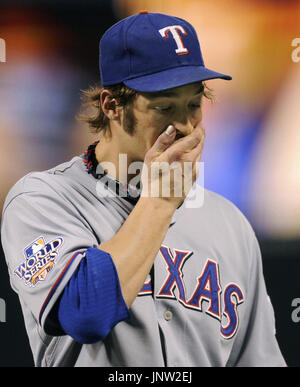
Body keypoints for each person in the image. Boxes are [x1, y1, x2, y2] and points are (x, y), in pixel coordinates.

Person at [1, 11, 286, 367]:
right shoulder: (43, 200)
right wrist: (160, 201)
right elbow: (85, 315)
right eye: (165, 108)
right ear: (112, 106)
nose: (184, 126)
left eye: (194, 105)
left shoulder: (229, 222)